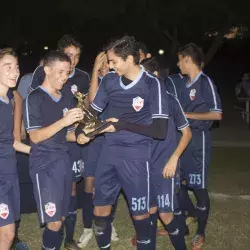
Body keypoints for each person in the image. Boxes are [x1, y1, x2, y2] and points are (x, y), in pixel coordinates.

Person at [79, 36, 169, 250]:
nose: (109, 66)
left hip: (136, 156)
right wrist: (82, 129)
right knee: (100, 210)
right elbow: (93, 111)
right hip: (109, 153)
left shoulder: (152, 84)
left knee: (140, 214)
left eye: (113, 61)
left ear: (129, 59)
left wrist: (121, 126)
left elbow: (160, 130)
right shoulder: (110, 81)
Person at [23, 51, 90, 250]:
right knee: (53, 222)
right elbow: (34, 137)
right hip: (44, 163)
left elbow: (66, 133)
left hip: (63, 160)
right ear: (47, 70)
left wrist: (79, 136)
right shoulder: (34, 98)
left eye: (67, 72)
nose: (64, 76)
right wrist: (64, 121)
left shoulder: (66, 97)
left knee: (60, 217)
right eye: (60, 72)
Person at [176, 43, 222, 250]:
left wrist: (187, 115)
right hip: (184, 141)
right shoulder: (184, 84)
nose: (178, 64)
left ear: (187, 59)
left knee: (199, 188)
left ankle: (200, 233)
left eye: (179, 59)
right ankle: (189, 217)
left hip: (199, 143)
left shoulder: (205, 82)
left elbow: (216, 114)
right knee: (178, 185)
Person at [77, 52, 119, 248]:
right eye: (103, 63)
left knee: (110, 183)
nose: (107, 66)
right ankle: (87, 228)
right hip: (93, 141)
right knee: (89, 184)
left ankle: (108, 224)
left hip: (110, 140)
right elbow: (92, 104)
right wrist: (95, 71)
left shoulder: (117, 81)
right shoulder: (91, 83)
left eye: (109, 63)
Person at [0, 48, 31, 250]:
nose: (14, 72)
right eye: (7, 67)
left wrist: (36, 151)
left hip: (9, 172)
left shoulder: (9, 99)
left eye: (17, 67)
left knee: (7, 233)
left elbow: (10, 140)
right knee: (8, 233)